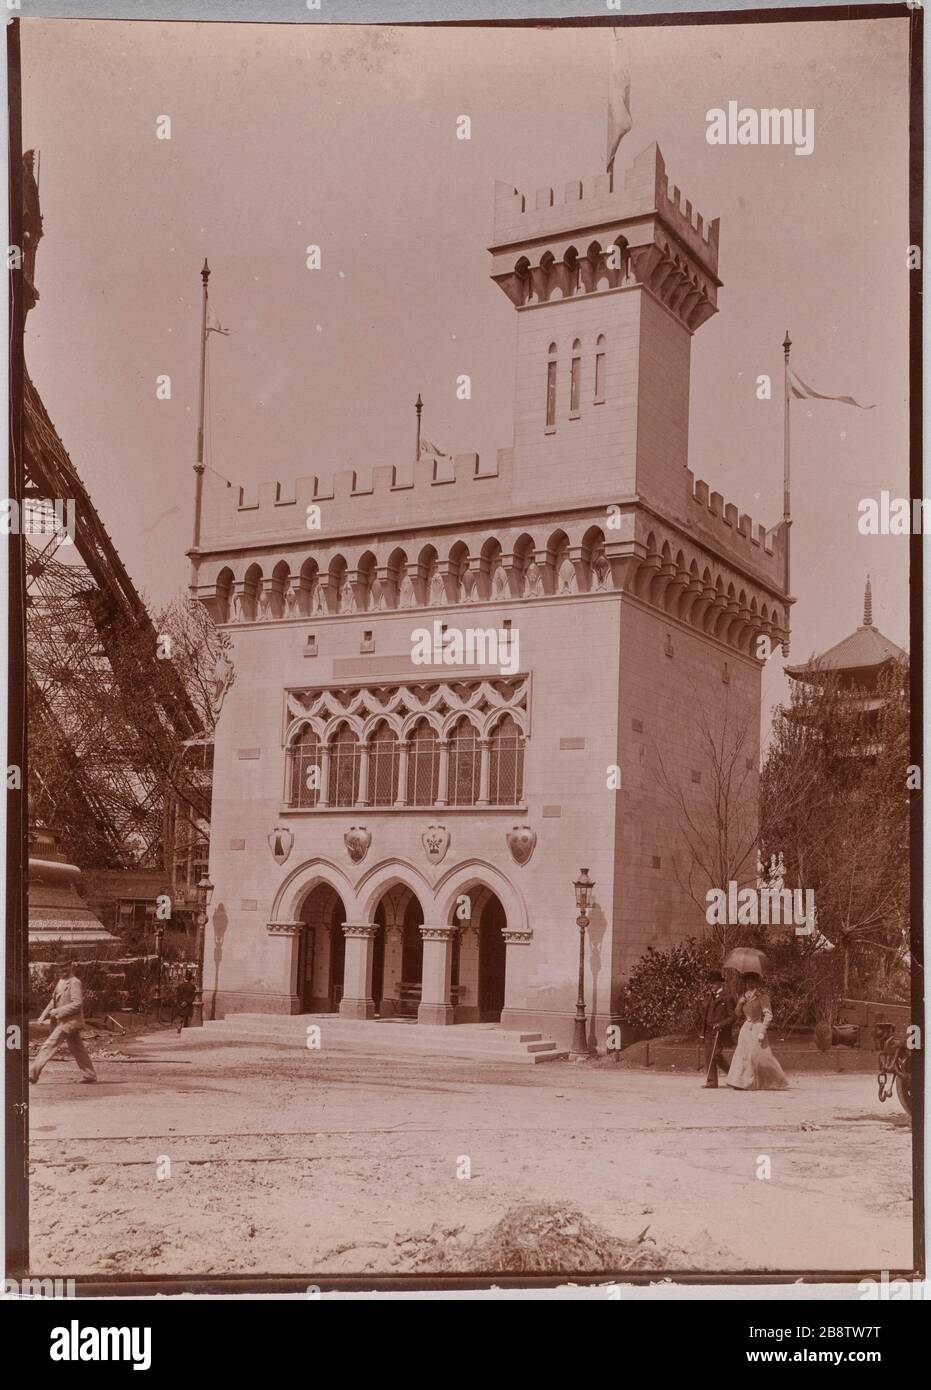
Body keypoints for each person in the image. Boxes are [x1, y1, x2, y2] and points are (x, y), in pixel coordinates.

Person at [30, 962, 97, 1084]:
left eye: (65, 966)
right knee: (77, 1048)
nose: (63, 969)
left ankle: (33, 1074)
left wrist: (58, 1011)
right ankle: (89, 1075)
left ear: (71, 966)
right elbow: (53, 1001)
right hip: (63, 1021)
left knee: (49, 1045)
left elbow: (77, 1004)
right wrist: (43, 1015)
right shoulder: (61, 981)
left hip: (69, 1022)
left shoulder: (75, 982)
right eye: (60, 967)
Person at [725, 972, 789, 1091]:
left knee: (760, 1056)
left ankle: (776, 1081)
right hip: (745, 1029)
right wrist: (739, 1004)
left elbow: (768, 1015)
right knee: (742, 1055)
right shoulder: (742, 997)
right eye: (748, 981)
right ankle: (741, 1082)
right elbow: (737, 1014)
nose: (750, 984)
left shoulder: (762, 997)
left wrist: (762, 1031)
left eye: (752, 981)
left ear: (756, 983)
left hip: (757, 1028)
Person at [700, 969, 736, 1088]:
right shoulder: (709, 996)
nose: (711, 985)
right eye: (710, 983)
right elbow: (706, 1015)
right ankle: (711, 1082)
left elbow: (732, 1017)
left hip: (720, 1031)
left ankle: (733, 1076)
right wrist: (702, 1031)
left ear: (720, 983)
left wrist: (721, 1024)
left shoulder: (727, 996)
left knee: (716, 1055)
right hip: (708, 1030)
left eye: (713, 983)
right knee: (708, 1055)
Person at [174, 969, 197, 1033]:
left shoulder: (180, 985)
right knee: (186, 1017)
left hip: (181, 1004)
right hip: (188, 1004)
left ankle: (179, 1025)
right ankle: (185, 1028)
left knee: (181, 1015)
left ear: (185, 977)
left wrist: (181, 1002)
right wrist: (187, 1002)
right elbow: (193, 996)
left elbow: (178, 995)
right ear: (190, 978)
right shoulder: (192, 987)